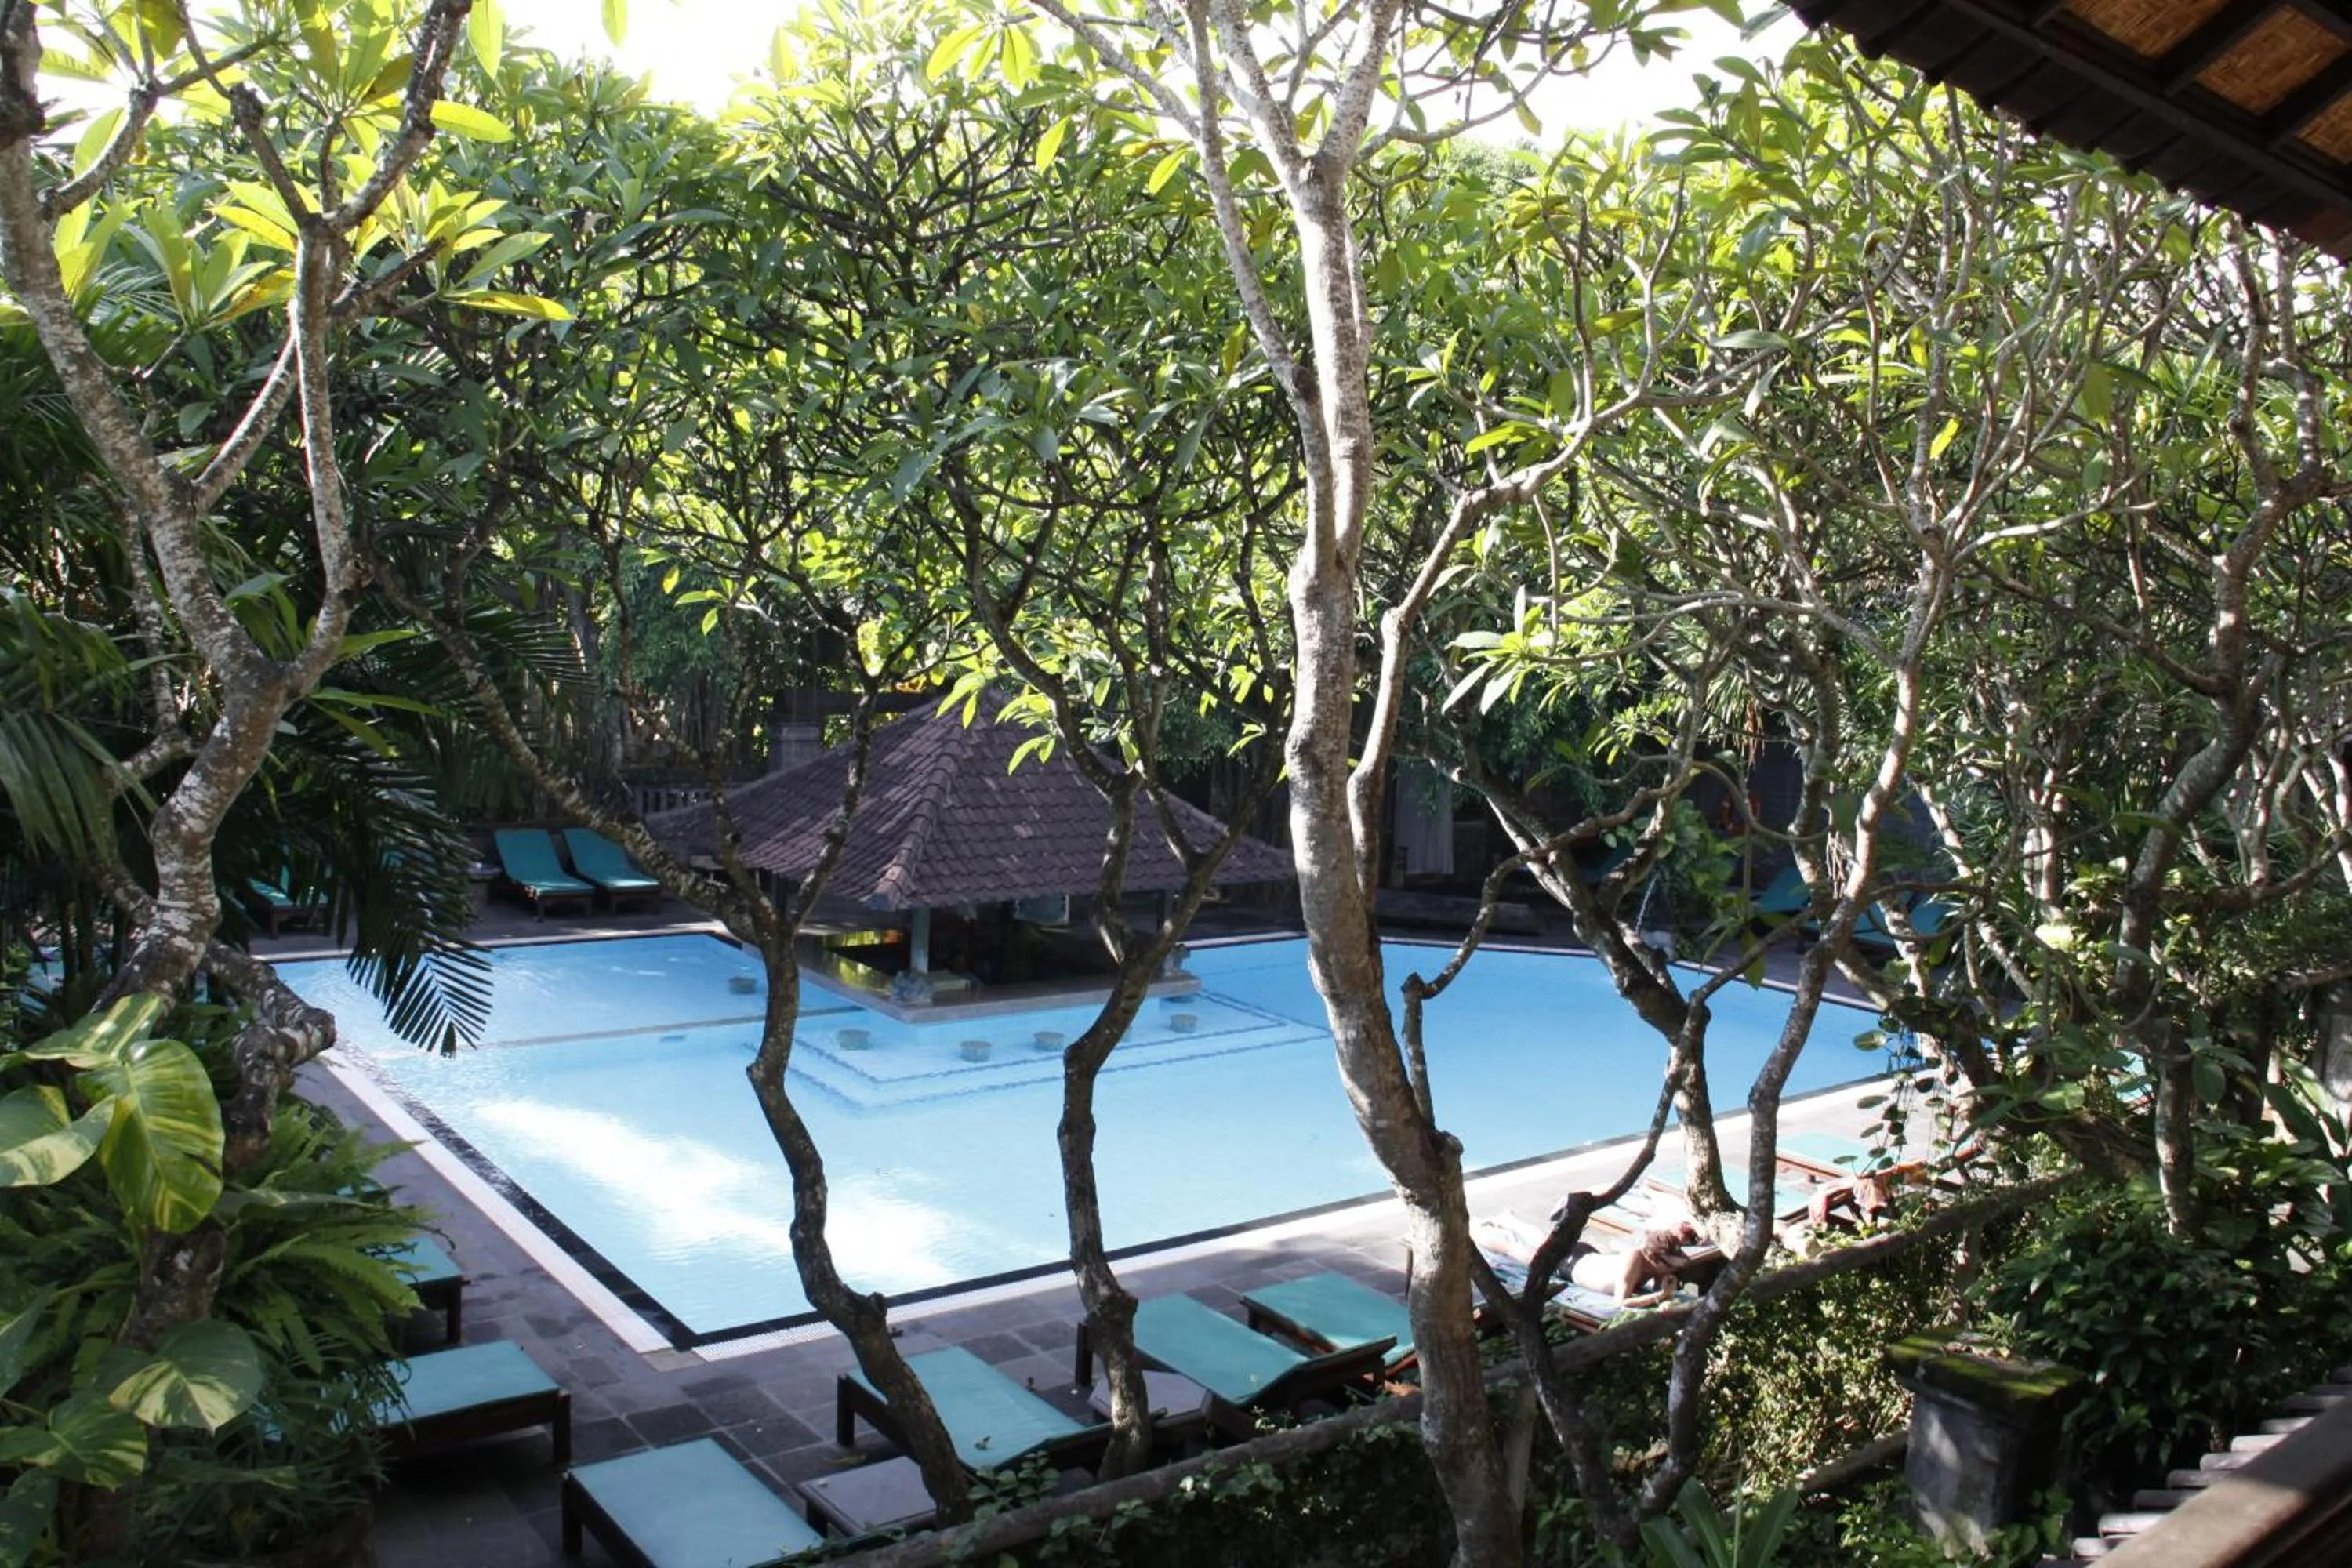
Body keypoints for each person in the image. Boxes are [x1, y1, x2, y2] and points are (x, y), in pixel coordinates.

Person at [1567, 1219, 1704, 1308]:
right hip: (1572, 1263)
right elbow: (1621, 1302)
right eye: (1669, 1264)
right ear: (1654, 1260)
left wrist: (1668, 1283)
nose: (1673, 1267)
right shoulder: (1633, 1259)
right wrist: (1660, 1296)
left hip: (1591, 1255)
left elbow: (1660, 1288)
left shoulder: (1658, 1268)